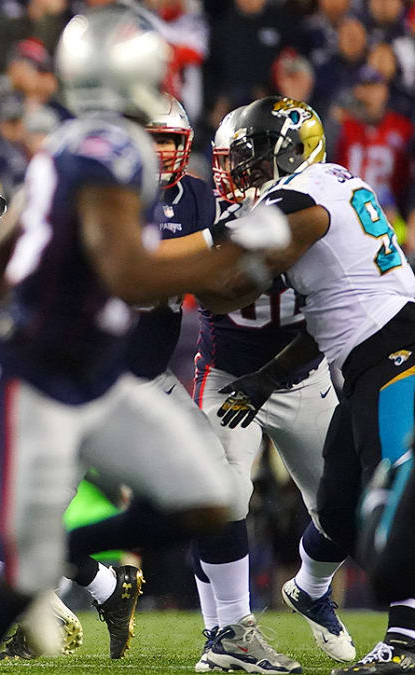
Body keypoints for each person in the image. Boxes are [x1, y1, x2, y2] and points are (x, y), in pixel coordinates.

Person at [0, 6, 293, 673]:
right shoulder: (113, 149)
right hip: (41, 377)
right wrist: (232, 249)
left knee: (208, 499)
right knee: (23, 566)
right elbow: (128, 272)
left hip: (98, 372)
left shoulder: (69, 144)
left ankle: (67, 550)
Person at [206, 95, 415, 675]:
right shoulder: (330, 183)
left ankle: (406, 638)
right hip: (362, 355)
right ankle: (309, 588)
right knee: (340, 508)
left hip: (399, 348)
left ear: (288, 151)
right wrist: (268, 376)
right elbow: (330, 316)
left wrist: (168, 272)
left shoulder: (300, 199)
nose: (238, 172)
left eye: (247, 157)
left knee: (395, 493)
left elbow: (231, 284)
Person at [186, 101, 355, 672]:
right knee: (219, 497)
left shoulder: (317, 209)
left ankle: (312, 588)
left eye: (246, 158)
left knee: (345, 504)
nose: (235, 170)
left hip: (298, 375)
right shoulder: (211, 210)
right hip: (226, 375)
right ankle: (226, 631)